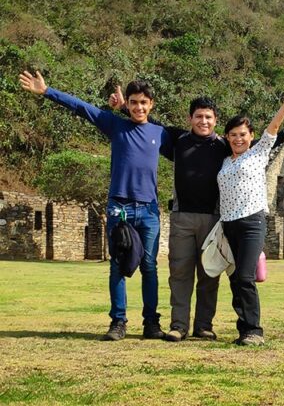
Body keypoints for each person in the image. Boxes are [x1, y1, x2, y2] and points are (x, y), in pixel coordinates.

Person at [109, 87, 284, 342]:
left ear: (215, 121)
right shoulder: (177, 140)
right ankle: (178, 326)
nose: (203, 121)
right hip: (181, 218)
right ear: (190, 119)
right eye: (199, 117)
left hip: (213, 219)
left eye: (208, 117)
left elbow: (252, 146)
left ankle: (204, 325)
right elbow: (149, 122)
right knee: (179, 274)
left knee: (209, 274)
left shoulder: (224, 146)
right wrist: (125, 107)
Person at [19, 71, 172, 342]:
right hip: (119, 207)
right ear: (130, 104)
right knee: (117, 266)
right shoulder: (115, 126)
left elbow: (192, 142)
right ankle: (118, 322)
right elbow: (82, 108)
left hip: (148, 209)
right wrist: (47, 91)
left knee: (149, 266)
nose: (138, 107)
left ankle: (151, 323)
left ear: (151, 105)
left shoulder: (159, 133)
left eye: (143, 103)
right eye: (134, 102)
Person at [218, 81, 284, 346]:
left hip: (252, 221)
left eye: (243, 134)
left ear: (251, 136)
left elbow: (275, 127)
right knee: (234, 278)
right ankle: (243, 329)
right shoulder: (224, 160)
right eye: (233, 134)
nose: (238, 138)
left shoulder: (258, 153)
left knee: (245, 276)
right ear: (227, 137)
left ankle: (254, 330)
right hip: (228, 224)